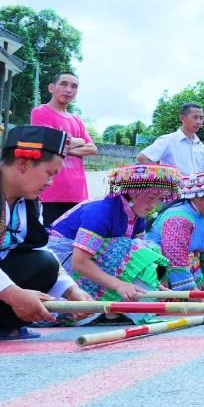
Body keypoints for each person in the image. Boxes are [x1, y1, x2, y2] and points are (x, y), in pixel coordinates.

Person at [48, 164, 181, 314]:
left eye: (160, 199)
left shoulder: (137, 217)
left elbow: (138, 261)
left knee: (148, 248)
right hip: (60, 263)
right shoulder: (101, 212)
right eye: (150, 198)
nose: (153, 205)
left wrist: (154, 286)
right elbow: (79, 262)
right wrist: (118, 285)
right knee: (128, 246)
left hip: (83, 262)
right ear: (132, 192)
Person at [0, 126, 92, 340]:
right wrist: (11, 293)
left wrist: (72, 292)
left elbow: (40, 250)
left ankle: (5, 327)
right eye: (49, 173)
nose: (50, 182)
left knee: (44, 264)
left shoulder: (30, 204)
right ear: (24, 163)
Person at [147, 170, 204, 291]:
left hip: (192, 269)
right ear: (197, 196)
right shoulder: (178, 217)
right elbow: (175, 257)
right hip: (160, 271)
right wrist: (189, 291)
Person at [31, 72, 98, 227]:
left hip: (78, 192)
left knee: (71, 238)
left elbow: (93, 148)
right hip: (50, 191)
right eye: (63, 84)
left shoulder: (77, 120)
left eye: (74, 86)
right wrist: (79, 141)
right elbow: (48, 142)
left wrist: (62, 147)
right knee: (49, 236)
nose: (69, 89)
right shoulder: (40, 112)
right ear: (51, 88)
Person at [137, 103, 204, 176]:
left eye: (201, 118)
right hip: (174, 183)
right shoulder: (167, 140)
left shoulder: (201, 146)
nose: (199, 122)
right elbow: (142, 158)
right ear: (182, 118)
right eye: (195, 117)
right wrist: (163, 177)